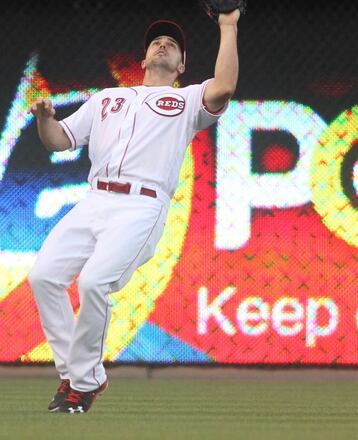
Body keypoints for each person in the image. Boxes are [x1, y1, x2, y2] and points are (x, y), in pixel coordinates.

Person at [28, 10, 240, 414]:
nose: (162, 45)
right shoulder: (107, 99)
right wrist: (45, 120)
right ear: (142, 60)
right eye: (156, 42)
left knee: (93, 283)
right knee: (43, 277)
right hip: (94, 201)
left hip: (141, 206)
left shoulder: (186, 100)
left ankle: (83, 383)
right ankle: (74, 373)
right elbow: (58, 141)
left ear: (181, 66)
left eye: (172, 44)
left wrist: (227, 27)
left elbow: (225, 85)